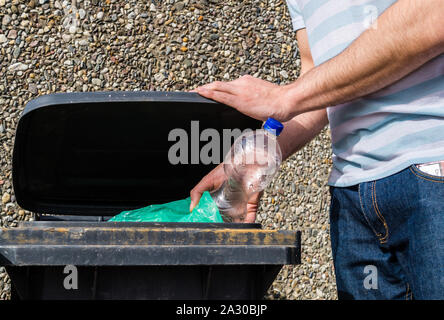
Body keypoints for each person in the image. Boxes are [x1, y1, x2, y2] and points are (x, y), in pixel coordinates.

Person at [189, 0, 444, 300]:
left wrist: (287, 97)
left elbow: (433, 15)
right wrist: (257, 158)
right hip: (351, 197)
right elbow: (320, 83)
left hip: (431, 175)